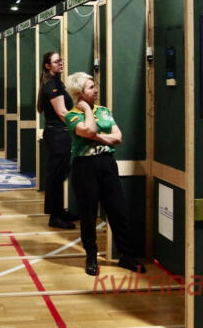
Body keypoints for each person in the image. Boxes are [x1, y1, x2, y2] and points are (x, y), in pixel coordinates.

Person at [64, 72, 146, 276]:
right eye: (91, 87)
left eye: (95, 86)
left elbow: (118, 137)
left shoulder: (104, 111)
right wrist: (87, 112)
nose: (96, 90)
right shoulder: (72, 115)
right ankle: (91, 257)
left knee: (118, 211)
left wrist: (98, 137)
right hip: (85, 167)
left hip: (107, 164)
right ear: (79, 93)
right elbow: (89, 131)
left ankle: (127, 256)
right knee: (88, 214)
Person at [36, 51, 76, 229]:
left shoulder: (56, 82)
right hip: (57, 134)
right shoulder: (52, 84)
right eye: (56, 61)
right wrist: (80, 126)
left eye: (61, 60)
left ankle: (59, 211)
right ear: (47, 66)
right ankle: (55, 217)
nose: (61, 63)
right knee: (56, 176)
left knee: (59, 175)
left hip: (59, 133)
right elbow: (62, 112)